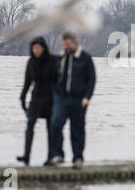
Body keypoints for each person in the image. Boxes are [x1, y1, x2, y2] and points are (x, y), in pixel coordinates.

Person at [50, 32, 96, 169]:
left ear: (75, 43)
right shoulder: (61, 57)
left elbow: (92, 79)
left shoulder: (85, 58)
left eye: (68, 44)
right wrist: (54, 94)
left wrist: (87, 97)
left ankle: (78, 157)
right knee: (56, 124)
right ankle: (58, 155)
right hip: (61, 98)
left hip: (79, 100)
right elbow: (54, 77)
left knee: (77, 129)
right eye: (64, 44)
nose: (66, 47)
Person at [18, 37, 57, 166]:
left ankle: (51, 157)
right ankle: (26, 156)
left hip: (50, 99)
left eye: (38, 48)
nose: (36, 50)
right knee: (30, 124)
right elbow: (27, 82)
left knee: (50, 129)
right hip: (36, 99)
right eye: (34, 48)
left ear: (43, 48)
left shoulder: (52, 61)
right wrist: (22, 98)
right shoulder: (31, 62)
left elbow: (59, 81)